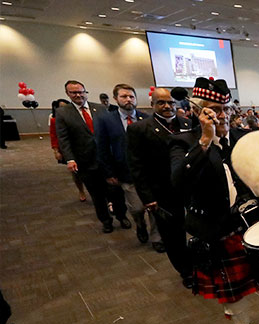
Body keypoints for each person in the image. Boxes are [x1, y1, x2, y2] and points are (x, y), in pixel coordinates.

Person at [169, 77, 259, 324]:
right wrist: (205, 140)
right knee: (234, 294)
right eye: (212, 109)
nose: (221, 115)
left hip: (257, 225)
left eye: (224, 108)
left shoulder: (244, 137)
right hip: (217, 231)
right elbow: (178, 182)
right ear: (197, 111)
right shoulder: (183, 142)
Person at [127, 88, 194, 285]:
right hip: (162, 191)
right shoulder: (139, 129)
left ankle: (200, 264)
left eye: (171, 103)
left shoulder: (187, 124)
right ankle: (186, 271)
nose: (167, 106)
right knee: (173, 236)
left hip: (189, 189)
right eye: (161, 103)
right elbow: (136, 166)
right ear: (152, 104)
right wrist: (147, 197)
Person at [54, 80, 127, 233]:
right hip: (85, 161)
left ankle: (122, 216)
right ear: (68, 94)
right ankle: (106, 221)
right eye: (74, 93)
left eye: (81, 92)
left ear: (86, 92)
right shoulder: (63, 113)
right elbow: (63, 138)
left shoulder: (100, 108)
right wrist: (70, 159)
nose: (78, 95)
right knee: (97, 194)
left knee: (116, 191)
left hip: (108, 159)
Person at [94, 84, 158, 246]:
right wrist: (108, 173)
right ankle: (140, 224)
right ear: (116, 99)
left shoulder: (147, 118)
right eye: (124, 96)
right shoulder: (106, 120)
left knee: (155, 207)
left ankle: (157, 238)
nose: (128, 99)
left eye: (131, 96)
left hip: (149, 172)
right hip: (126, 172)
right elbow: (101, 147)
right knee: (137, 208)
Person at [48, 99, 87, 202]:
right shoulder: (54, 119)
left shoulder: (78, 116)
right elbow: (54, 136)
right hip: (69, 148)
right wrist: (56, 151)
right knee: (76, 172)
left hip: (84, 147)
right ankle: (81, 191)